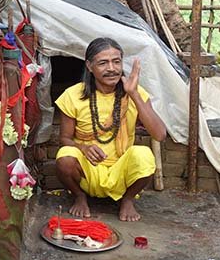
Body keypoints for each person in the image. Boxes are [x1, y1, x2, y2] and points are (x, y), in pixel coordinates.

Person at [54, 37, 167, 222]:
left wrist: (134, 94)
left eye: (116, 61)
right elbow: (64, 139)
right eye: (103, 63)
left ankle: (128, 199)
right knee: (65, 156)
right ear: (89, 66)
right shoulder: (73, 95)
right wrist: (84, 148)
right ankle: (80, 196)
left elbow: (160, 134)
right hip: (88, 171)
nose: (112, 69)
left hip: (121, 173)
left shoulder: (134, 93)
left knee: (144, 155)